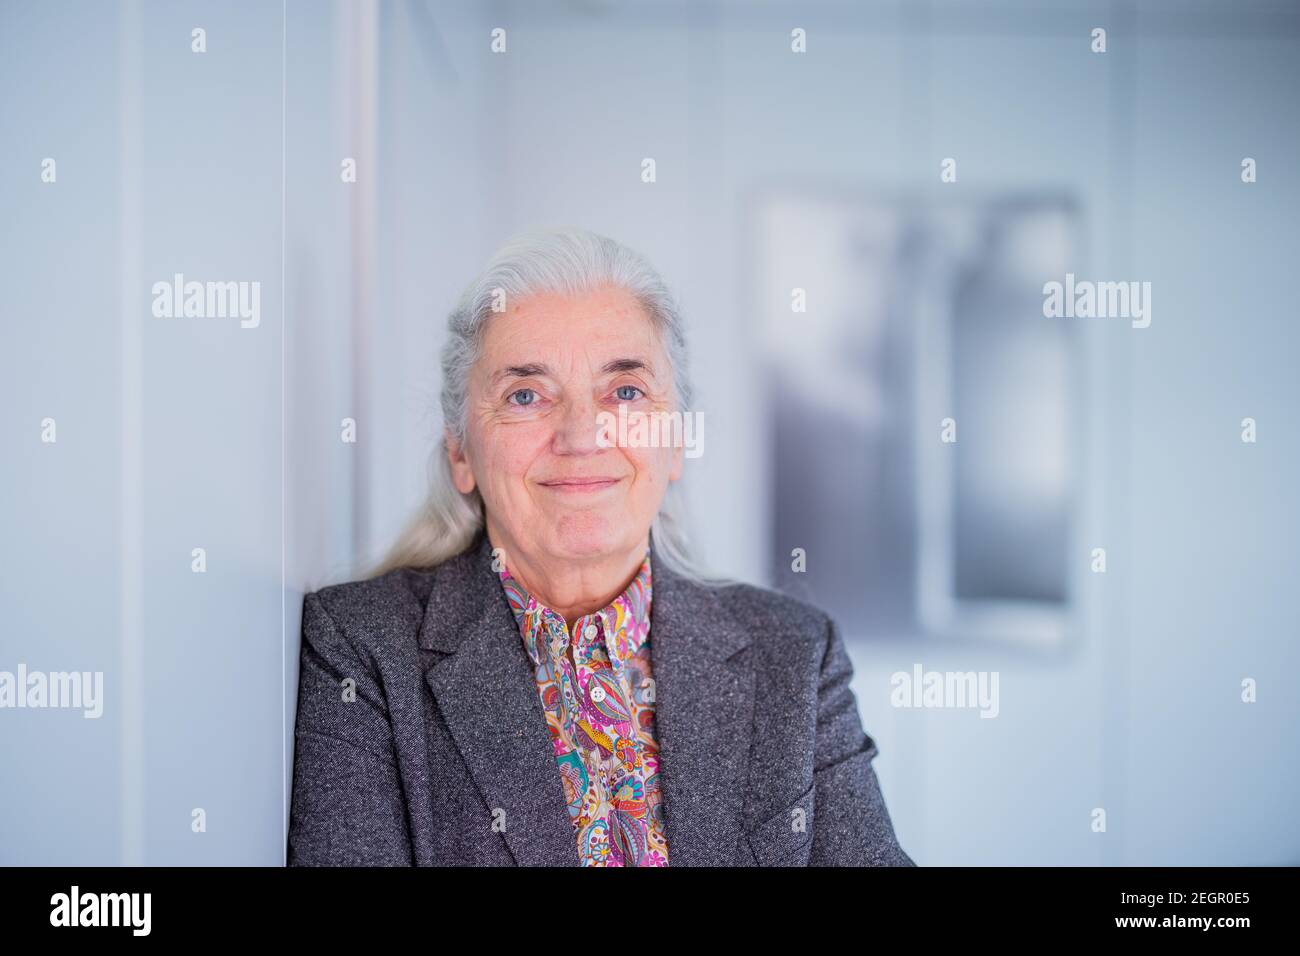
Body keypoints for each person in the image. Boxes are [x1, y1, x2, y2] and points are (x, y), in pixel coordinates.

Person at [287, 226, 914, 866]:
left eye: (625, 391)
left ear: (674, 442)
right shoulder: (361, 650)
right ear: (460, 450)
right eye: (526, 395)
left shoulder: (796, 655)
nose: (583, 435)